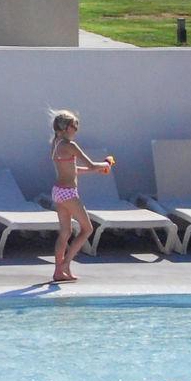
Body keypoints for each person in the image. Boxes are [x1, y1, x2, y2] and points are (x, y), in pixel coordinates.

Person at [49, 110, 114, 286]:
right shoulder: (71, 145)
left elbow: (72, 169)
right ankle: (66, 264)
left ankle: (59, 271)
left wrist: (98, 169)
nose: (76, 129)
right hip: (69, 193)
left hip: (58, 191)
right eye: (75, 126)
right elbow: (91, 164)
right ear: (67, 127)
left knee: (65, 232)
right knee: (87, 229)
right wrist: (106, 164)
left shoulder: (55, 143)